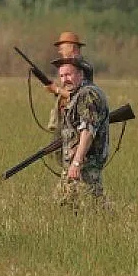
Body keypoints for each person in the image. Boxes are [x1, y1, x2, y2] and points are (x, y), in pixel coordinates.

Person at [51, 57, 110, 210]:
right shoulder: (79, 93)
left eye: (69, 75)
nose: (65, 80)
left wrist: (76, 163)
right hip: (77, 169)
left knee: (92, 210)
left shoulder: (87, 94)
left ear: (81, 74)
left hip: (84, 168)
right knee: (65, 209)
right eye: (62, 76)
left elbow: (88, 130)